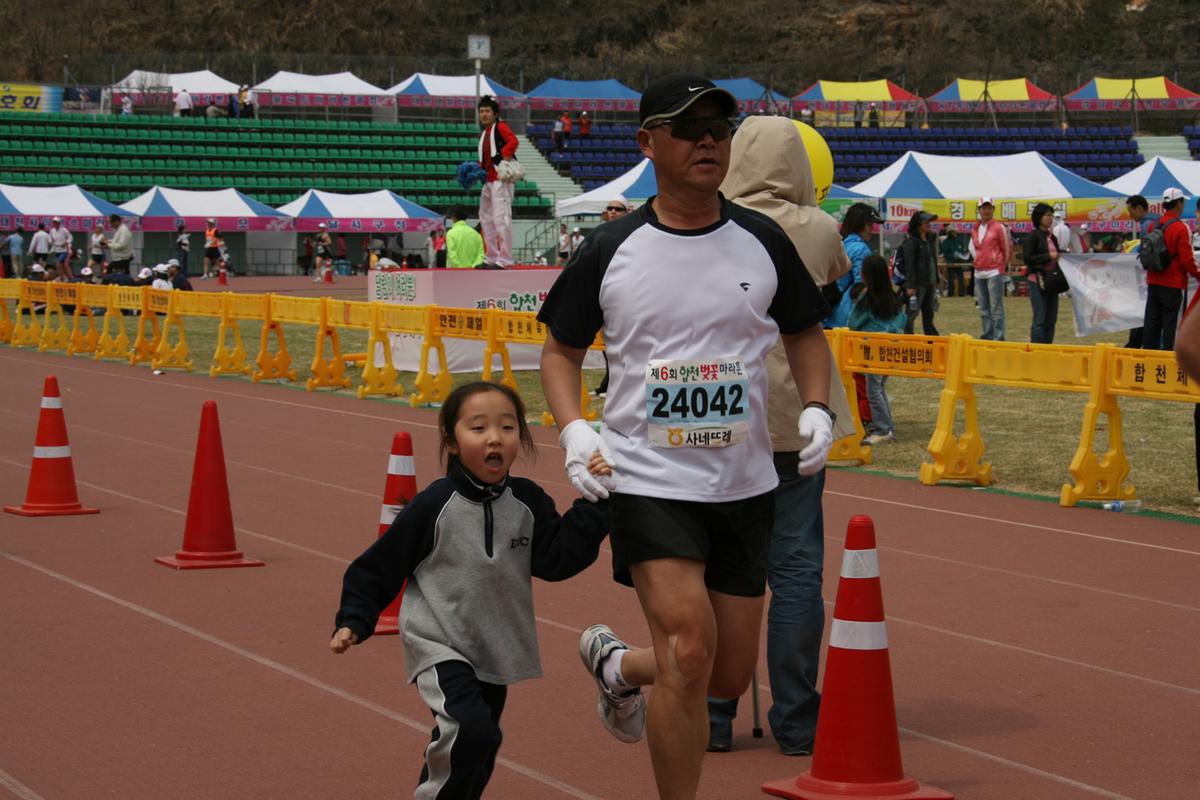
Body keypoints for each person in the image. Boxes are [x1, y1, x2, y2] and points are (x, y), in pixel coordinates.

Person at [537, 74, 834, 799]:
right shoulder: (611, 247)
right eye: (688, 126)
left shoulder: (762, 240)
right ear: (647, 142)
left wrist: (818, 407)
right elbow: (560, 352)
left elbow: (804, 332)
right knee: (688, 647)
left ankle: (617, 666)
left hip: (745, 483)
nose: (708, 139)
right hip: (647, 480)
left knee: (722, 675)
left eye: (720, 128)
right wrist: (575, 431)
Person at [330, 381, 611, 800]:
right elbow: (380, 564)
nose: (495, 437)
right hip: (439, 641)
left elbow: (556, 559)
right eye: (478, 428)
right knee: (471, 729)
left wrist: (597, 504)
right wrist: (355, 617)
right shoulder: (434, 505)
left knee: (481, 743)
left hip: (494, 644)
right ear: (452, 441)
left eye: (508, 427)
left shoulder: (528, 501)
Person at [704, 115, 854, 758]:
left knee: (715, 567)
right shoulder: (818, 226)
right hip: (796, 414)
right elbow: (827, 289)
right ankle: (797, 718)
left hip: (714, 411)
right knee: (795, 571)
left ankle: (712, 711)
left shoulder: (708, 220)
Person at [849, 254, 907, 444]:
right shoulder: (891, 295)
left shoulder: (867, 297)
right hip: (890, 347)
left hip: (871, 348)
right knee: (879, 387)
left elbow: (854, 322)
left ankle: (883, 429)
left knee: (873, 389)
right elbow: (902, 320)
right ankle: (887, 426)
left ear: (866, 275)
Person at [1143, 187, 1200, 351]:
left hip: (1153, 280)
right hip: (1174, 283)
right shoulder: (1181, 228)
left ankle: (1149, 357)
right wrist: (1198, 275)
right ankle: (1168, 358)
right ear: (1179, 204)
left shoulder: (1153, 225)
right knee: (1171, 324)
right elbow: (1187, 260)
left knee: (1152, 322)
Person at [477, 95, 519, 268]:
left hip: (499, 180)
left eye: (487, 111)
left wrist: (502, 157)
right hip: (488, 180)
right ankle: (491, 256)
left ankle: (505, 259)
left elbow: (513, 141)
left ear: (495, 113)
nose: (484, 114)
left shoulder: (500, 127)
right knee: (486, 218)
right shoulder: (485, 132)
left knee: (501, 218)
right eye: (481, 111)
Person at [825, 202, 882, 328]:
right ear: (858, 224)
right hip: (848, 316)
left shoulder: (841, 244)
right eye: (869, 225)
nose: (872, 230)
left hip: (829, 314)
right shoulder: (861, 249)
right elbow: (861, 288)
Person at [970, 197, 1012, 341]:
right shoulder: (975, 228)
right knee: (983, 307)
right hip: (979, 271)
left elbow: (1006, 248)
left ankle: (998, 337)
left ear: (993, 210)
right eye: (983, 208)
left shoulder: (999, 227)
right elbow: (975, 247)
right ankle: (987, 335)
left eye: (989, 208)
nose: (986, 211)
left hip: (994, 270)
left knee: (996, 307)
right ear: (979, 210)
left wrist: (1001, 265)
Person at [1123, 195, 1159, 349]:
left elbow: (1147, 250)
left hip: (1151, 276)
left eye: (1130, 211)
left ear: (1138, 209)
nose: (1130, 215)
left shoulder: (1147, 225)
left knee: (1143, 313)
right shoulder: (1157, 219)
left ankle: (1135, 344)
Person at [897, 211, 939, 336]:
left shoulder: (930, 240)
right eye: (925, 222)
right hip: (917, 284)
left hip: (929, 282)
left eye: (929, 221)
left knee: (929, 312)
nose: (929, 224)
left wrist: (936, 280)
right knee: (912, 313)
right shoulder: (911, 242)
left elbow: (933, 261)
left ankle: (931, 337)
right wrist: (910, 285)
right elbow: (910, 264)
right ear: (918, 224)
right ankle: (907, 336)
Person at [1024, 202, 1060, 344]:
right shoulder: (1033, 236)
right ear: (1039, 217)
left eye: (1052, 216)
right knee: (1040, 318)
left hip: (1052, 281)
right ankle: (1037, 349)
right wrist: (1048, 256)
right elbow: (1028, 258)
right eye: (1047, 215)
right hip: (1037, 280)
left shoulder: (1053, 237)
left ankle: (1048, 347)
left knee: (1051, 319)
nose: (1050, 218)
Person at [939, 225, 971, 297]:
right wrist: (952, 256)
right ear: (950, 232)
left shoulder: (959, 241)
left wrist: (963, 255)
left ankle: (962, 294)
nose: (955, 232)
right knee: (950, 278)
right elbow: (945, 253)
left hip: (959, 262)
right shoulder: (946, 242)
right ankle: (951, 294)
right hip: (950, 263)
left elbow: (963, 251)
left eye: (955, 231)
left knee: (961, 278)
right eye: (953, 231)